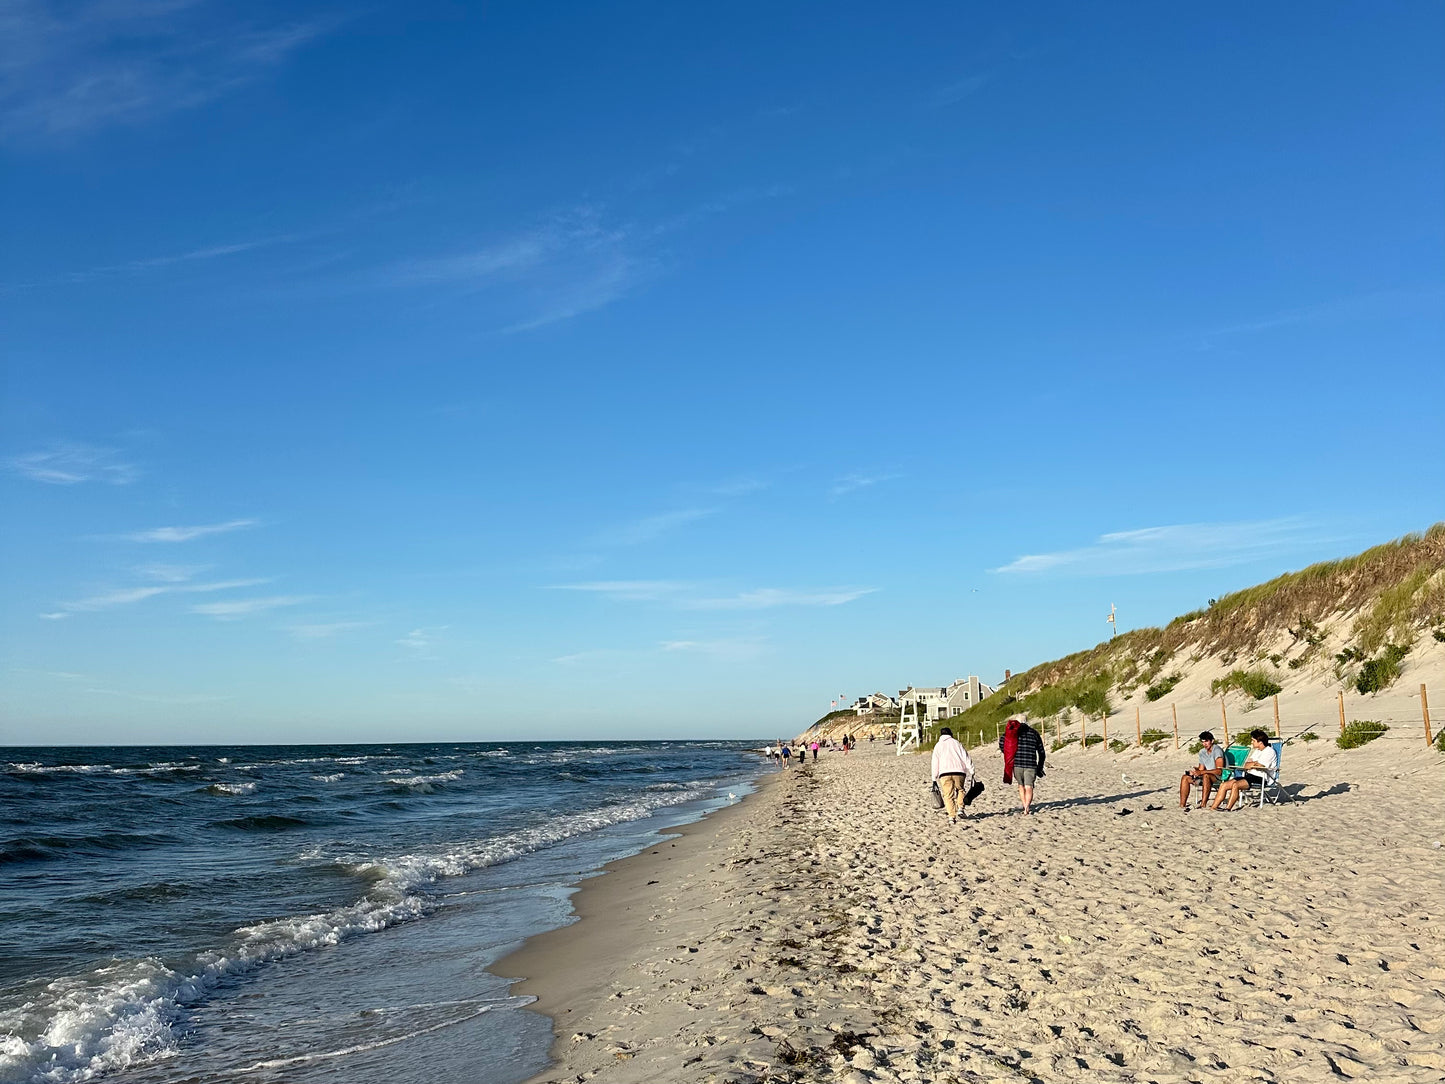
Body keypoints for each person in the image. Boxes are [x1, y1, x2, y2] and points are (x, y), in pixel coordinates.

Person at [1208, 730, 1277, 811]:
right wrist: (1253, 764)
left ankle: (1228, 808)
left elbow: (1261, 766)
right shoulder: (1257, 751)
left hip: (1262, 777)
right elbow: (1246, 765)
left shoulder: (1269, 751)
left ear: (1260, 742)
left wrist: (1253, 764)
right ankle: (1214, 807)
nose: (1252, 742)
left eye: (1253, 740)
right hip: (1249, 775)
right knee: (1224, 785)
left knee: (1236, 785)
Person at [999, 718, 1046, 815]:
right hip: (1031, 764)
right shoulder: (1034, 733)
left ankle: (1024, 804)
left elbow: (1002, 742)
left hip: (1017, 764)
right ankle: (1027, 807)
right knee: (1029, 787)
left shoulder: (1013, 733)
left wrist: (1008, 753)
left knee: (1021, 786)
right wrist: (1040, 766)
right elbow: (1041, 752)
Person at [930, 726, 975, 825]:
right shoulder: (957, 743)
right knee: (960, 789)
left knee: (948, 795)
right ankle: (960, 808)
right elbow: (965, 757)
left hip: (944, 773)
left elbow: (935, 762)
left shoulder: (938, 745)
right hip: (959, 771)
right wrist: (971, 770)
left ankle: (951, 816)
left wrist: (934, 777)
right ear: (951, 734)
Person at [1180, 731, 1225, 809]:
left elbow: (1219, 771)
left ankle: (1203, 804)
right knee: (1185, 777)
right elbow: (1201, 769)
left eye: (1206, 741)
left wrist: (1202, 772)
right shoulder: (1202, 752)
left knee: (1206, 776)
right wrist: (1195, 772)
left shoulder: (1217, 751)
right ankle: (1182, 804)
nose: (1205, 744)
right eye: (1203, 742)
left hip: (1218, 777)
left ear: (1212, 741)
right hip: (1206, 775)